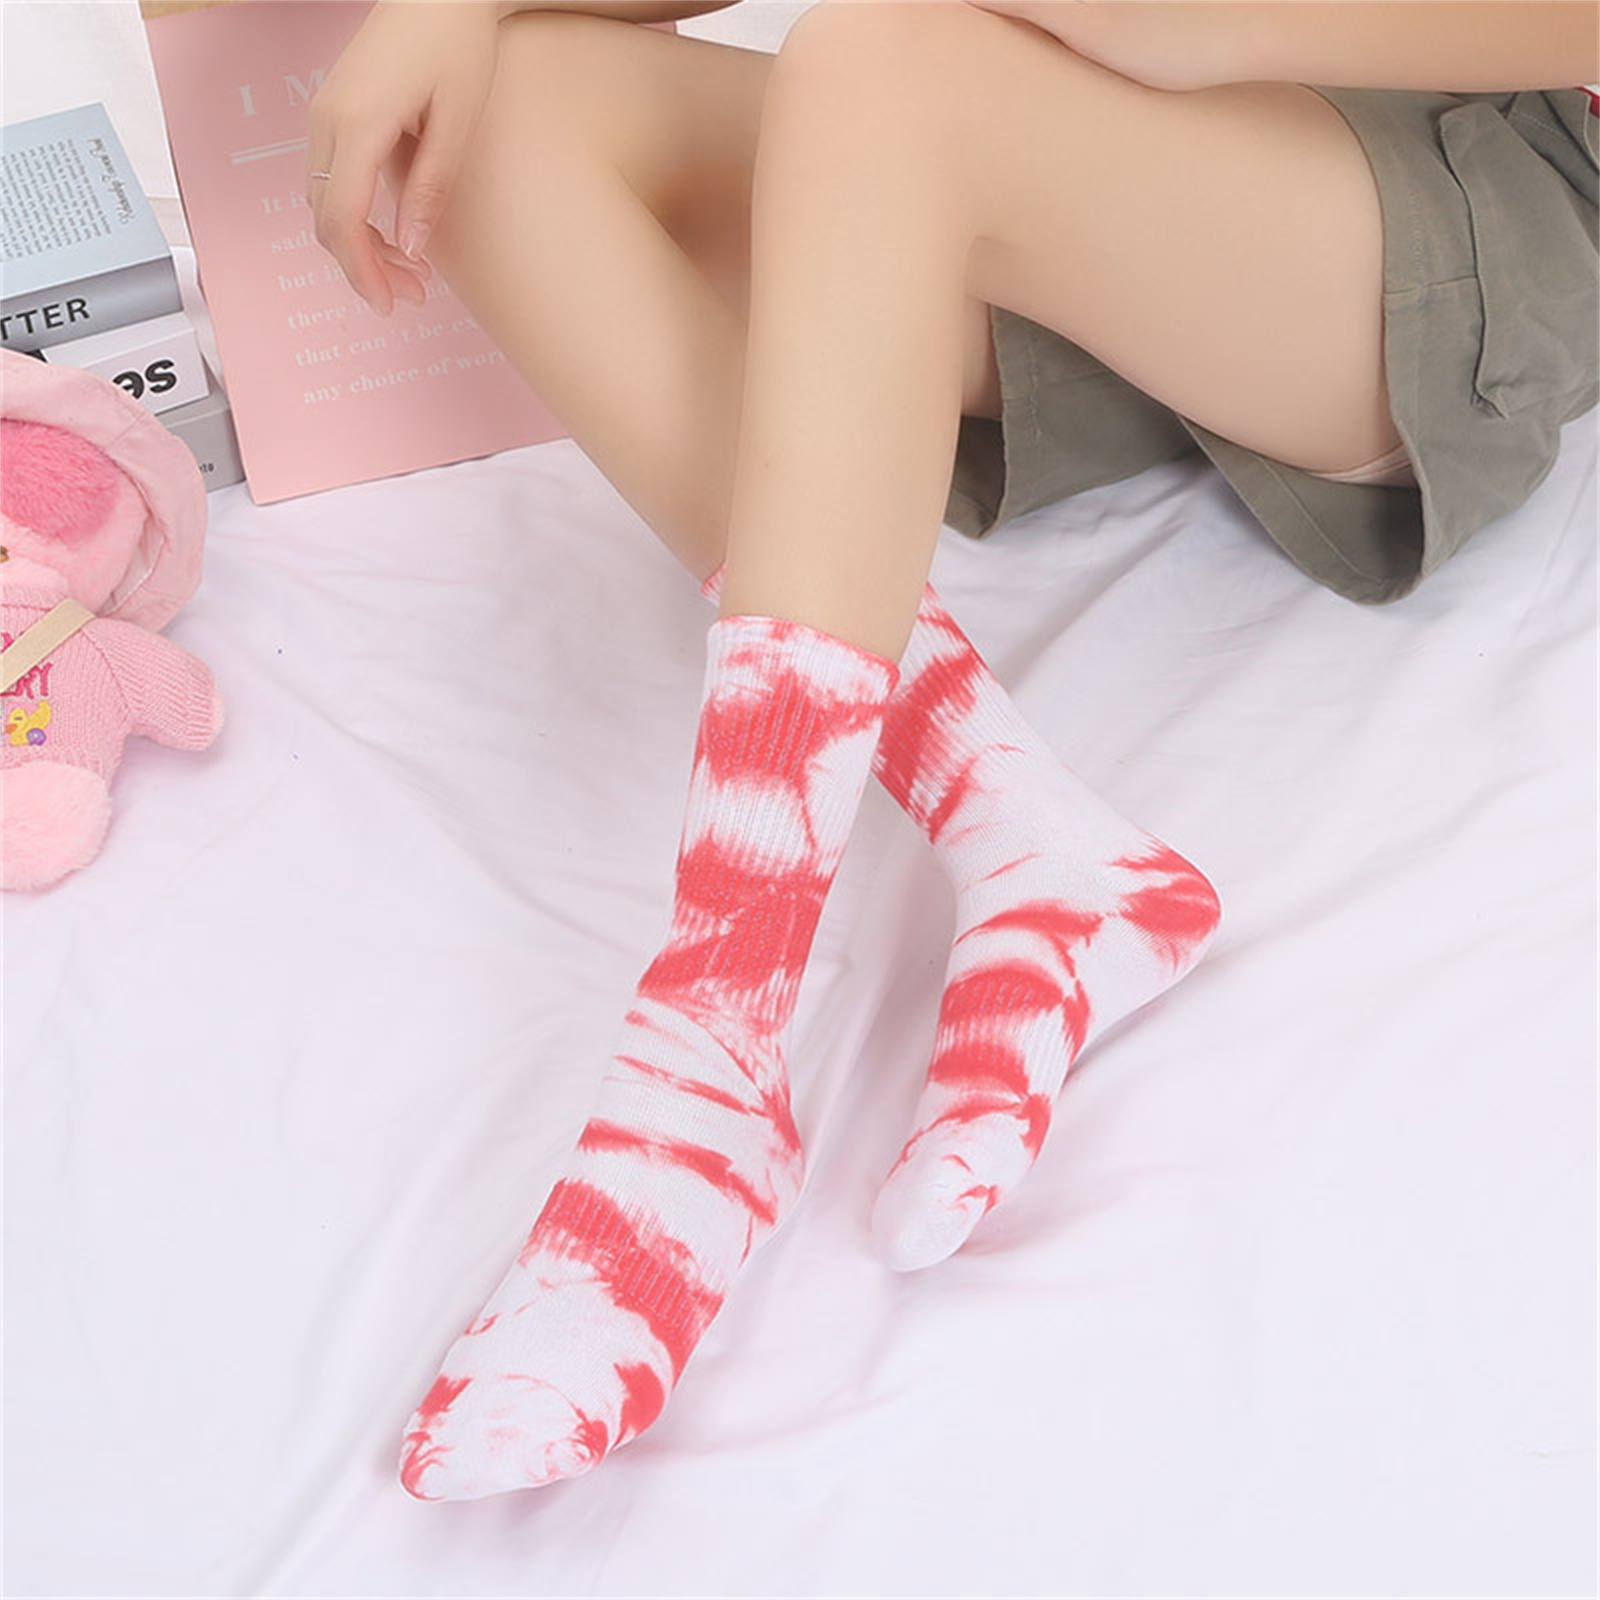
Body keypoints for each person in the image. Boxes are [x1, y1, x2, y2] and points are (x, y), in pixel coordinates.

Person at [305, 0, 1600, 1502]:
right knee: (506, 112)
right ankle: (1027, 834)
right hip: (1114, 144)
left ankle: (709, 1061)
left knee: (883, 66)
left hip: (1475, 163)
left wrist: (1220, 27)